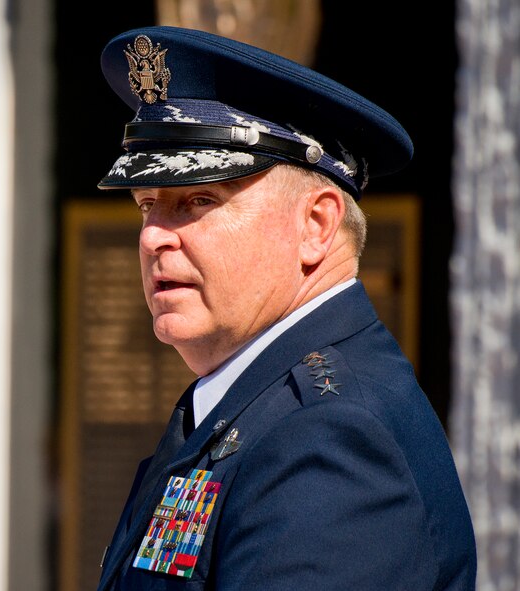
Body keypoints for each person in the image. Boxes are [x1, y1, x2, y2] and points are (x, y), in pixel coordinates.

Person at [93, 25, 477, 590]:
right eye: (147, 204)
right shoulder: (257, 403)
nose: (153, 238)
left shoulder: (330, 438)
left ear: (316, 225)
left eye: (199, 199)